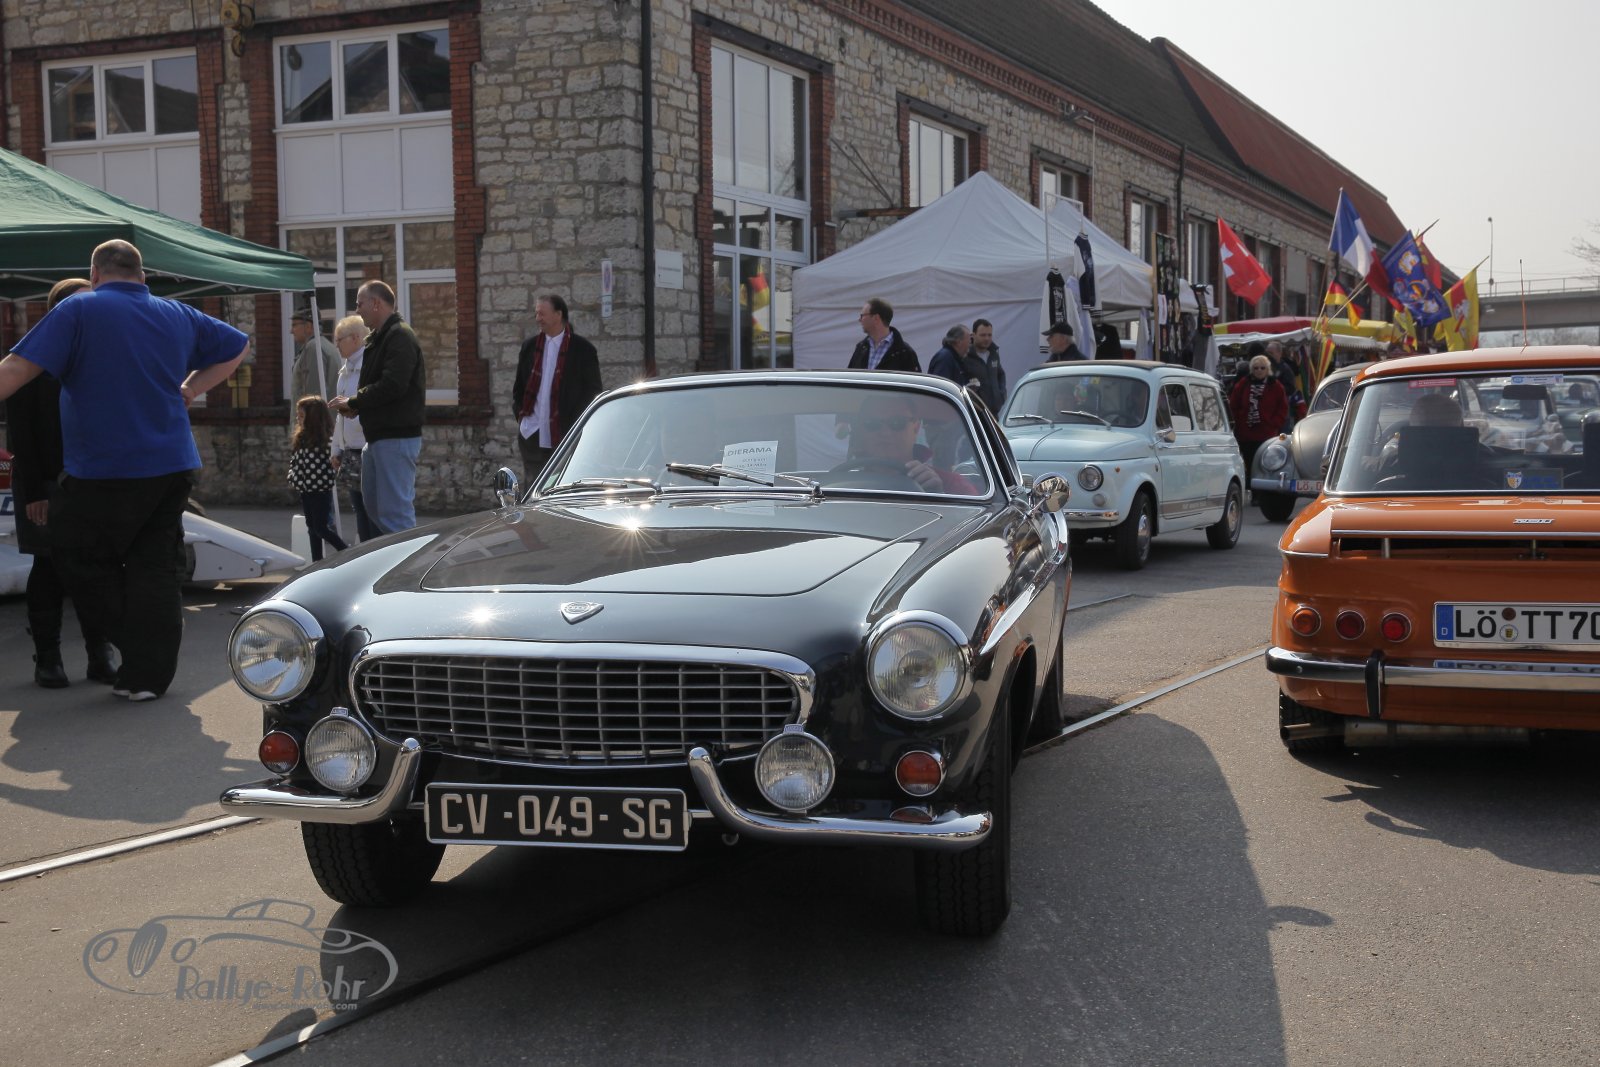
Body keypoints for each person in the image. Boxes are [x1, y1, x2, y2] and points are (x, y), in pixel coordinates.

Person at [0, 239, 249, 701]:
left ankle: (136, 653)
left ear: (94, 274)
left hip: (104, 467)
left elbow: (15, 369)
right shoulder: (177, 313)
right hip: (171, 465)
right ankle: (147, 676)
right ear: (142, 276)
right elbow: (237, 346)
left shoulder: (78, 309)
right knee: (155, 566)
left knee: (75, 556)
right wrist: (193, 388)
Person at [4, 277, 118, 688]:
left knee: (94, 569)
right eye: (81, 305)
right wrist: (36, 491)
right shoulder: (32, 357)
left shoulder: (100, 356)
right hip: (46, 483)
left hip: (91, 481)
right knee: (49, 567)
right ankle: (48, 659)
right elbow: (21, 433)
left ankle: (99, 655)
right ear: (59, 312)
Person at [330, 281, 424, 535]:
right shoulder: (377, 339)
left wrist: (354, 402)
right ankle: (394, 556)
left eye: (360, 303)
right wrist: (357, 407)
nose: (357, 310)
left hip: (396, 437)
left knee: (396, 516)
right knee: (374, 508)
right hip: (377, 437)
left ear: (376, 303)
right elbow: (374, 385)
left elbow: (393, 385)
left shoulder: (400, 336)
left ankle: (409, 559)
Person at [511, 293, 604, 483]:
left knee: (562, 485)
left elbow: (592, 392)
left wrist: (575, 424)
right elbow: (519, 388)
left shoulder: (582, 349)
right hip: (532, 433)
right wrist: (522, 419)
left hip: (565, 433)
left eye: (542, 314)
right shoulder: (529, 347)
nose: (538, 318)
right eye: (537, 313)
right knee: (533, 487)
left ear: (558, 314)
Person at [840, 393, 978, 494]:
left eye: (897, 423)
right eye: (872, 423)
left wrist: (939, 496)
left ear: (916, 428)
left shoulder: (952, 485)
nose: (885, 432)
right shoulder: (837, 485)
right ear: (861, 430)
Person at [328, 314, 377, 542]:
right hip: (350, 448)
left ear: (356, 338)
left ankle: (376, 551)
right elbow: (341, 416)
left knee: (371, 509)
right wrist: (337, 448)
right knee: (358, 508)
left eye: (339, 339)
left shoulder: (368, 366)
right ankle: (367, 549)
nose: (336, 344)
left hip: (367, 446)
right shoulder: (345, 370)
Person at [288, 396, 349, 563]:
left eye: (301, 416)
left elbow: (334, 462)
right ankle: (317, 560)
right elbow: (295, 461)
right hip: (305, 489)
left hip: (321, 490)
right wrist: (293, 476)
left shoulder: (326, 441)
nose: (298, 419)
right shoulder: (301, 438)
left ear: (313, 418)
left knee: (321, 528)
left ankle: (347, 552)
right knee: (312, 528)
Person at [1228, 354, 1289, 471]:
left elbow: (1283, 408)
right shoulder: (1243, 384)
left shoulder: (1275, 386)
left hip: (1267, 433)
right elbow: (1233, 405)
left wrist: (1274, 423)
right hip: (1245, 434)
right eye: (1256, 368)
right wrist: (1238, 421)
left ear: (1267, 369)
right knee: (1248, 463)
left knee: (1265, 464)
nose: (1259, 370)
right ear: (1252, 369)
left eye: (1262, 368)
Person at [848, 297, 920, 371]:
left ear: (876, 318)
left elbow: (914, 378)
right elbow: (850, 375)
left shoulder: (905, 353)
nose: (859, 320)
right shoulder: (861, 348)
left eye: (862, 316)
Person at [289, 308, 340, 404]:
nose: (291, 331)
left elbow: (312, 396)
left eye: (294, 325)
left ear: (308, 326)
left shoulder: (313, 348)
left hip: (314, 413)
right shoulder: (324, 345)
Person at [969, 319, 1006, 411]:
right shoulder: (966, 356)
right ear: (973, 335)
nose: (987, 338)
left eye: (989, 335)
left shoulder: (993, 354)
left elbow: (1000, 374)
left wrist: (1001, 394)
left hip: (993, 411)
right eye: (983, 335)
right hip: (974, 411)